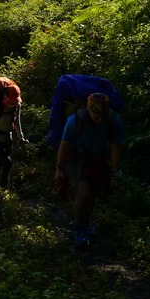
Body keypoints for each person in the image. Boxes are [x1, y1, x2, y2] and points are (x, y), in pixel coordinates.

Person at [54, 93, 124, 247]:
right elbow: (64, 144)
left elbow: (114, 147)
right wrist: (59, 169)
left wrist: (115, 172)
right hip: (74, 159)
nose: (99, 119)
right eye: (96, 115)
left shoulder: (113, 121)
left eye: (102, 116)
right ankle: (79, 228)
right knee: (84, 192)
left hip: (96, 159)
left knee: (92, 193)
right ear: (88, 109)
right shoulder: (75, 121)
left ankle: (85, 223)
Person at [0, 83, 26, 189]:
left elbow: (17, 122)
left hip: (8, 139)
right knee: (7, 162)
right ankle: (3, 187)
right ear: (5, 96)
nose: (13, 104)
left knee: (1, 163)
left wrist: (21, 137)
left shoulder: (16, 106)